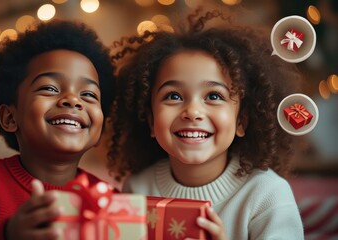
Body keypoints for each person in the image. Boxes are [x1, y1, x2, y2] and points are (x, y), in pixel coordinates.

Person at [107, 7, 304, 240]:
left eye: (213, 96)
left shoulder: (267, 195)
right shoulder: (137, 190)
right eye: (173, 96)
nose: (192, 112)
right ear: (151, 120)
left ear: (241, 120)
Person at [0, 19, 115, 240]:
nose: (72, 100)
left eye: (88, 94)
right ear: (10, 117)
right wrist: (9, 235)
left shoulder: (109, 198)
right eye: (49, 88)